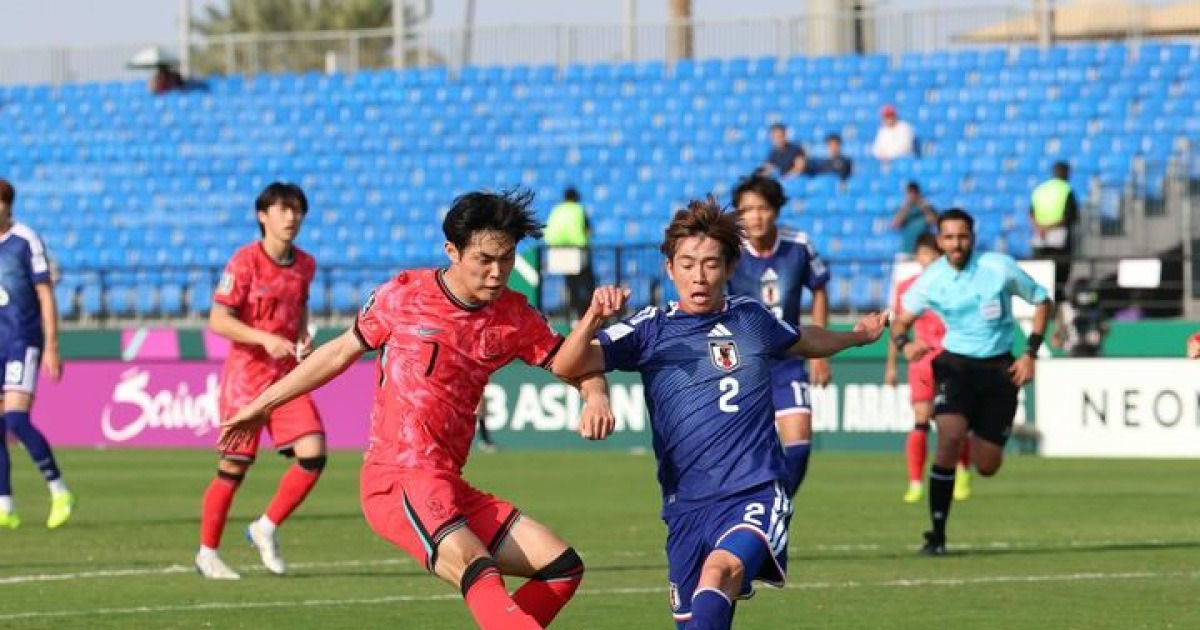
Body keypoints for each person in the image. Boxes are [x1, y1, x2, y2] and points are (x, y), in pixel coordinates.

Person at [221, 190, 609, 629]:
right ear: (452, 251)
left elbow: (575, 363)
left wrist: (595, 395)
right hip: (398, 476)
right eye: (484, 259)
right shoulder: (404, 296)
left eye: (506, 259)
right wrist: (262, 404)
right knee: (475, 565)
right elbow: (338, 353)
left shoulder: (514, 315)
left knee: (561, 567)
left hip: (448, 483)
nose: (497, 272)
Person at [550, 199, 888, 629]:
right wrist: (592, 320)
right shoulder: (650, 329)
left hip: (755, 489)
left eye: (711, 264)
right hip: (685, 505)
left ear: (730, 268)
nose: (699, 275)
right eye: (687, 264)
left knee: (719, 572)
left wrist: (857, 337)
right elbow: (566, 364)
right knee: (696, 619)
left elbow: (805, 339)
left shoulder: (751, 317)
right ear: (670, 269)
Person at [890, 208, 1051, 555]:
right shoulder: (932, 279)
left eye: (962, 236)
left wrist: (1030, 353)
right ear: (939, 241)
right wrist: (905, 345)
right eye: (949, 237)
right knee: (949, 439)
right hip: (955, 366)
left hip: (999, 369)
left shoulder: (998, 267)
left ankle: (982, 431)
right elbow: (900, 322)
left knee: (987, 465)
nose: (956, 244)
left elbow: (1042, 301)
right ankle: (936, 535)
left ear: (973, 238)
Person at [195, 182, 323, 579]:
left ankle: (264, 527)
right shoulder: (244, 261)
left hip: (286, 378)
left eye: (296, 210)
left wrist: (301, 337)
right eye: (283, 210)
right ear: (262, 216)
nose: (291, 217)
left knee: (314, 454)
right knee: (233, 468)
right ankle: (207, 553)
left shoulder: (305, 265)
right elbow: (219, 320)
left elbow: (299, 308)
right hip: (246, 381)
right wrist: (263, 338)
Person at [726, 175, 831, 497]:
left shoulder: (798, 244)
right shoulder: (729, 251)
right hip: (743, 366)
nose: (755, 217)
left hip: (788, 360)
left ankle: (777, 509)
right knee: (741, 454)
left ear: (776, 209)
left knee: (799, 444)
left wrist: (820, 353)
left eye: (762, 208)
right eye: (746, 210)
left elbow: (819, 288)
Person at [0, 178, 73, 530]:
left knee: (16, 419)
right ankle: (5, 505)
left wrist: (52, 345)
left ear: (7, 205)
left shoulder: (25, 240)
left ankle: (59, 491)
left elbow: (45, 293)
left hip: (22, 339)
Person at [884, 234, 971, 504]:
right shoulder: (907, 288)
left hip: (952, 358)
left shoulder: (956, 283)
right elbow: (897, 327)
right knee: (921, 419)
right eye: (924, 253)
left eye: (934, 254)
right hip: (921, 363)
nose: (929, 259)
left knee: (954, 423)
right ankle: (915, 482)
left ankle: (962, 472)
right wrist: (891, 365)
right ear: (917, 257)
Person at [1030, 161, 1080, 301]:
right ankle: (1057, 301)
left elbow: (1030, 213)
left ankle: (1043, 300)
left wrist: (1039, 228)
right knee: (1059, 276)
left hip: (1040, 237)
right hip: (1059, 239)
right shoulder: (1066, 190)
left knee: (1042, 273)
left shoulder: (1040, 189)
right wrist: (1049, 228)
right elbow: (1070, 216)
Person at [543, 187, 595, 321]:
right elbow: (588, 230)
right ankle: (582, 314)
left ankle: (571, 314)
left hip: (556, 250)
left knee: (570, 283)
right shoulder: (578, 209)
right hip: (575, 249)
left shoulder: (557, 209)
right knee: (584, 282)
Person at [1050, 276, 1107, 357]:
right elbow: (1056, 337)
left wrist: (1099, 333)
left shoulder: (1095, 308)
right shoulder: (1064, 308)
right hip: (1073, 347)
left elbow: (1104, 327)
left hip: (1092, 348)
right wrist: (1062, 339)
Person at [891, 181, 938, 258]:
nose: (912, 195)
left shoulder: (928, 207)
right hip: (906, 251)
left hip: (922, 251)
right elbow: (895, 225)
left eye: (914, 192)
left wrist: (924, 207)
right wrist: (907, 206)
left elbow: (934, 223)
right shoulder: (902, 209)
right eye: (910, 193)